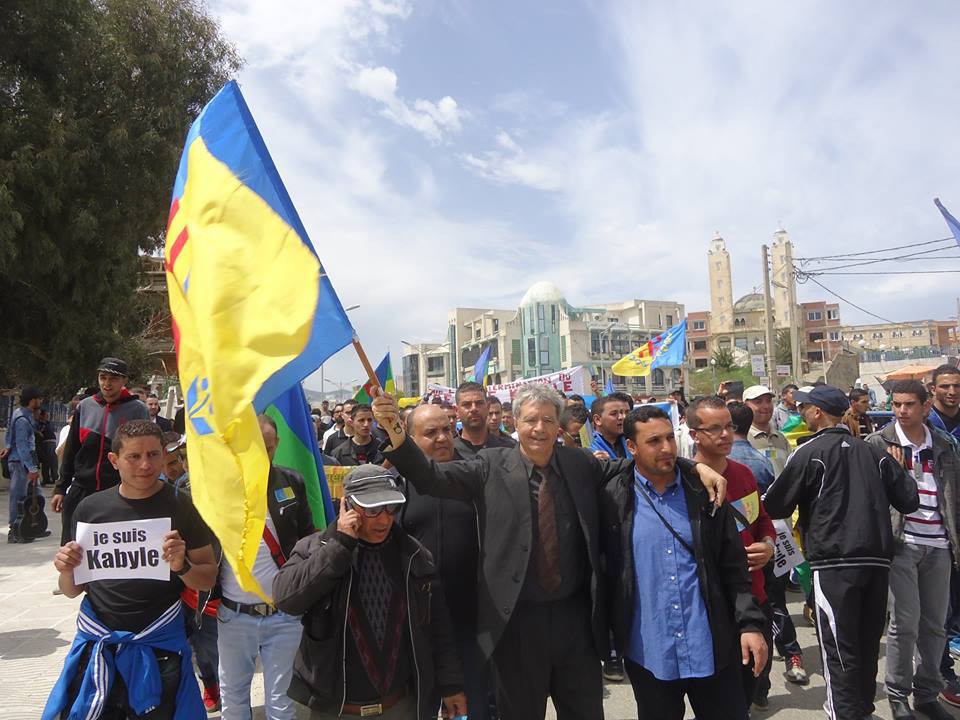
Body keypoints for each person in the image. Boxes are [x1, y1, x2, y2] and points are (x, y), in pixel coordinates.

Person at [372, 384, 728, 720]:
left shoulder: (580, 464)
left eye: (547, 419)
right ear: (515, 423)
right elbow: (430, 476)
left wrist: (693, 466)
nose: (539, 428)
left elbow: (635, 464)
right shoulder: (489, 467)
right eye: (530, 420)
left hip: (576, 622)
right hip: (516, 625)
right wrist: (395, 433)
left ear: (559, 424)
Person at [600, 404, 767, 720]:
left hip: (711, 646)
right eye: (653, 442)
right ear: (631, 447)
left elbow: (733, 566)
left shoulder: (704, 492)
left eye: (669, 439)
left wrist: (750, 625)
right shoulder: (613, 496)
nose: (666, 449)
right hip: (650, 652)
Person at [764, 385, 920, 720]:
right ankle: (860, 710)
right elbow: (909, 499)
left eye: (805, 408)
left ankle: (846, 713)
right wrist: (900, 469)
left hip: (834, 563)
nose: (802, 412)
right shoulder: (874, 452)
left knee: (839, 648)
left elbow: (775, 504)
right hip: (877, 563)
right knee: (864, 645)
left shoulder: (808, 451)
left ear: (817, 412)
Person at [43, 420, 218, 719]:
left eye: (152, 454)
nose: (145, 465)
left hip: (160, 649)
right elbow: (73, 590)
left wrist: (182, 565)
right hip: (99, 646)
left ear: (164, 455)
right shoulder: (90, 509)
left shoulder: (184, 506)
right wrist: (66, 568)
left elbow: (208, 578)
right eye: (134, 456)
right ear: (114, 460)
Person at [273, 465, 467, 720]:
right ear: (348, 506)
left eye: (391, 508)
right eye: (373, 509)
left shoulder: (416, 556)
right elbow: (286, 598)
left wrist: (451, 686)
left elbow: (439, 629)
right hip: (336, 709)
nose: (384, 519)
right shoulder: (316, 548)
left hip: (400, 707)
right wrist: (340, 546)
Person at [864, 380, 959, 720]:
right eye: (896, 404)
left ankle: (927, 693)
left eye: (908, 405)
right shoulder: (878, 443)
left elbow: (955, 496)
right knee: (904, 623)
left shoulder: (945, 444)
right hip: (901, 543)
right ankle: (897, 694)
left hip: (940, 544)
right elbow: (869, 499)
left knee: (935, 625)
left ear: (925, 407)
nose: (901, 411)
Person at [216, 414, 316, 720]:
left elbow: (307, 538)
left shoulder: (291, 481)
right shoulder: (216, 490)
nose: (261, 454)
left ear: (277, 445)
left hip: (285, 614)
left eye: (268, 448)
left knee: (281, 701)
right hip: (234, 616)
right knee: (233, 697)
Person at [400, 403, 491, 719]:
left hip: (469, 616)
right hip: (415, 620)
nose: (442, 438)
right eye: (430, 433)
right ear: (410, 439)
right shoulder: (396, 483)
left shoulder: (477, 476)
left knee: (471, 704)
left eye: (446, 430)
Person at [689, 397, 777, 712]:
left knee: (748, 688)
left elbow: (762, 520)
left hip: (754, 600)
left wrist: (767, 544)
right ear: (693, 434)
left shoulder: (743, 474)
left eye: (728, 426)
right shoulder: (683, 482)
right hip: (710, 610)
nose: (725, 434)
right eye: (714, 429)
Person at [727, 401, 808, 690]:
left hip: (760, 546)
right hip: (768, 541)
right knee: (772, 606)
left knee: (764, 607)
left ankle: (768, 673)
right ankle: (762, 682)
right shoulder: (755, 461)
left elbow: (762, 512)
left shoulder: (743, 465)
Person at [53, 357, 150, 545]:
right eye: (103, 377)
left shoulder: (138, 410)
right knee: (72, 549)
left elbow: (145, 452)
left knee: (114, 550)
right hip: (81, 490)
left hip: (118, 492)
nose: (107, 383)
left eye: (113, 378)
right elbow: (72, 450)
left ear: (124, 381)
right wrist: (60, 488)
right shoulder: (85, 406)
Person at [4, 385, 43, 538]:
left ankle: (35, 525)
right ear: (32, 401)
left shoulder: (20, 414)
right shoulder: (22, 419)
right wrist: (31, 468)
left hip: (25, 462)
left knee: (36, 495)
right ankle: (14, 529)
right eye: (39, 399)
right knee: (19, 496)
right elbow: (22, 446)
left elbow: (9, 436)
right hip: (21, 463)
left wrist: (7, 446)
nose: (41, 401)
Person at [453, 381, 515, 459]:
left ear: (488, 407)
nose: (474, 409)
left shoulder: (509, 448)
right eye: (467, 404)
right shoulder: (448, 452)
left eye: (479, 403)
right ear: (456, 411)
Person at [743, 385, 789, 477]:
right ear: (745, 406)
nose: (766, 406)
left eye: (768, 401)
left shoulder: (781, 438)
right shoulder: (743, 438)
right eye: (758, 402)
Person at [590, 394, 632, 460]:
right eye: (614, 413)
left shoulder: (634, 440)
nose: (623, 417)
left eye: (627, 412)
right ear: (597, 419)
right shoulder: (589, 448)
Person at [928, 364, 960, 441]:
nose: (952, 392)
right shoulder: (922, 422)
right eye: (945, 386)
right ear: (933, 390)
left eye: (957, 386)